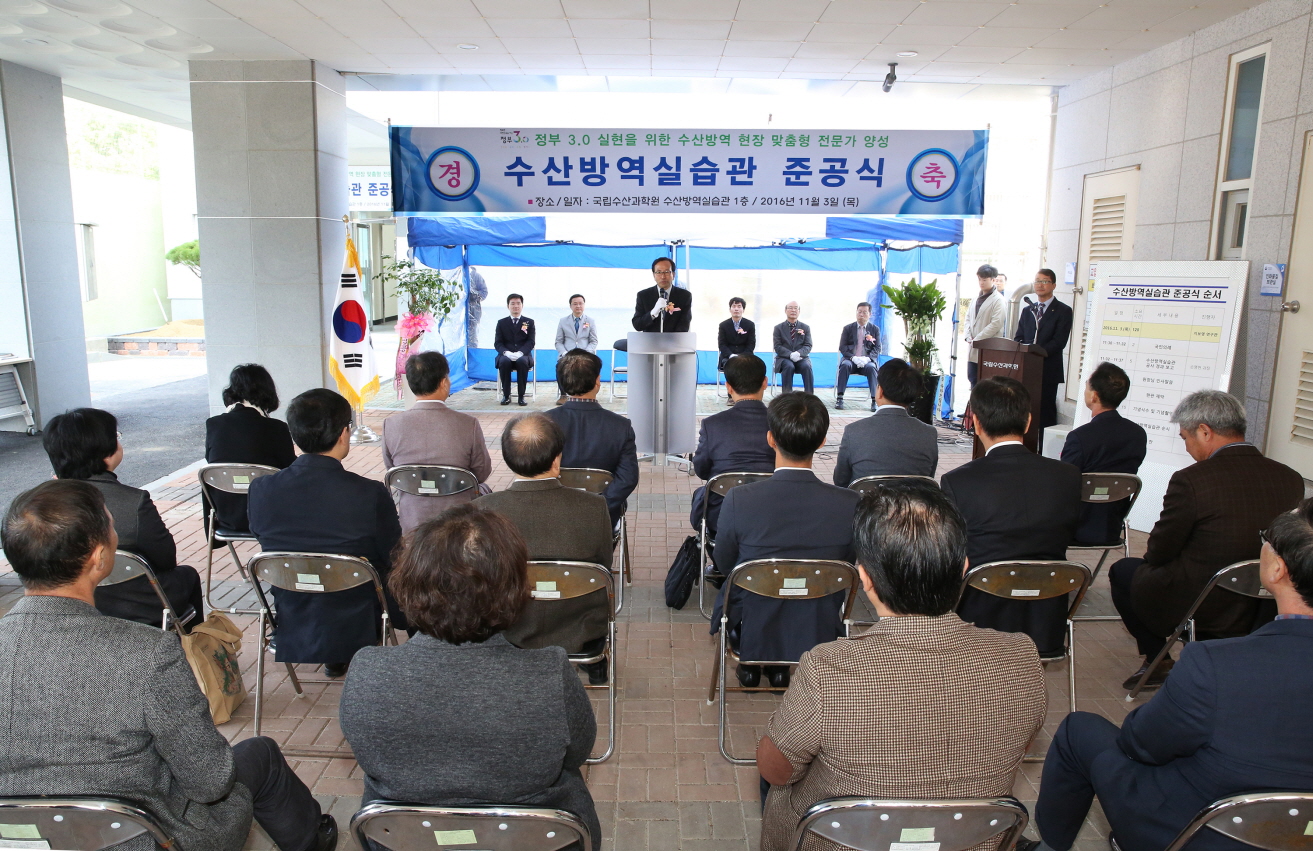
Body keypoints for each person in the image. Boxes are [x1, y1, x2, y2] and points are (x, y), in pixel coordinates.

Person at [0, 479, 336, 851]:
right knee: (261, 753)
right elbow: (210, 781)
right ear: (98, 558)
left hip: (18, 838)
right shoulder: (148, 652)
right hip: (147, 839)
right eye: (111, 526)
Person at [757, 480, 1045, 851]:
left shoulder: (827, 670)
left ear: (864, 578)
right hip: (971, 841)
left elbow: (776, 770)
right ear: (964, 569)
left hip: (843, 841)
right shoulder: (1022, 657)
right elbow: (1021, 745)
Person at [1027, 500, 1313, 851]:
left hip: (1200, 834)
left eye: (1266, 538)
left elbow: (1142, 744)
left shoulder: (1215, 664)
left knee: (1078, 730)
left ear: (1277, 569)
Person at [339, 504, 600, 851]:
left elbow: (369, 755)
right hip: (534, 836)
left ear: (409, 584)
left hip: (405, 837)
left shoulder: (367, 671)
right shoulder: (550, 673)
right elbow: (577, 753)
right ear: (513, 589)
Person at [1109, 390, 1303, 690]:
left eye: (1186, 438)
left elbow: (1159, 551)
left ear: (1204, 431)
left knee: (1124, 571)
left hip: (1204, 602)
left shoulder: (1192, 480)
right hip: (1264, 600)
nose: (1187, 447)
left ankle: (1158, 659)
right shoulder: (1290, 478)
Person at [249, 389, 404, 678]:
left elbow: (267, 541)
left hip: (294, 610)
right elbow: (393, 555)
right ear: (344, 433)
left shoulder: (261, 489)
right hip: (360, 611)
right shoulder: (368, 493)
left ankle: (334, 657)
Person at [710, 392, 859, 690]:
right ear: (821, 442)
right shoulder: (849, 503)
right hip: (817, 616)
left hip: (753, 608)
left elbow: (724, 563)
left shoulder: (740, 499)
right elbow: (847, 563)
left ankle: (754, 662)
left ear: (770, 439)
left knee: (746, 584)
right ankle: (779, 668)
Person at [941, 377, 1081, 657]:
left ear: (976, 423)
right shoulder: (1068, 476)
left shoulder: (958, 481)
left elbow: (952, 553)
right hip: (1046, 621)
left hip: (980, 619)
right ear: (1028, 422)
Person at [476, 413, 612, 683]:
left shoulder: (482, 510)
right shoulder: (593, 507)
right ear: (557, 459)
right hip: (580, 626)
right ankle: (596, 667)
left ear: (508, 458)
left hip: (508, 628)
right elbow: (602, 568)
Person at [42, 408, 203, 630]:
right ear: (106, 452)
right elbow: (166, 559)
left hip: (67, 601)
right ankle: (185, 645)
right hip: (134, 603)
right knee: (188, 575)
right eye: (116, 437)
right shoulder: (133, 501)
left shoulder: (39, 504)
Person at [382, 351, 493, 533]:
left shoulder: (391, 424)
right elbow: (482, 472)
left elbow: (393, 472)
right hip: (459, 523)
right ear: (443, 382)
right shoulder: (468, 424)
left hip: (412, 522)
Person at [545, 349, 639, 529]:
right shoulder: (621, 426)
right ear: (597, 381)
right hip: (603, 519)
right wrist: (599, 506)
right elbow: (628, 478)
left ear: (562, 383)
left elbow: (533, 474)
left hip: (552, 516)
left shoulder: (542, 423)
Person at [203, 363, 297, 537]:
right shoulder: (276, 428)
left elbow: (212, 463)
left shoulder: (214, 425)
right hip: (270, 517)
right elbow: (290, 471)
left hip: (226, 517)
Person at [1060, 362, 1147, 545]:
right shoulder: (1137, 435)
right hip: (1112, 528)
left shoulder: (1080, 437)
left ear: (1094, 396)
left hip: (1074, 529)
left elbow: (1065, 483)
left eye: (1086, 387)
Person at [689, 354, 774, 537]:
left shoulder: (712, 424)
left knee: (700, 495)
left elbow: (702, 470)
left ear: (728, 387)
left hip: (722, 514)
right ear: (765, 383)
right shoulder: (781, 423)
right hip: (772, 513)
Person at [832, 358, 939, 486]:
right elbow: (928, 480)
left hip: (865, 499)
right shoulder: (929, 433)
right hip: (916, 499)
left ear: (880, 391)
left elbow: (840, 481)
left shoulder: (854, 431)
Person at [1014, 268, 1073, 428]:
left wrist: (1036, 353)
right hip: (1026, 369)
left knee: (1045, 411)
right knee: (1025, 409)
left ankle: (1044, 443)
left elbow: (1059, 342)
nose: (1040, 285)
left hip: (1048, 370)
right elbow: (1018, 338)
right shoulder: (1028, 310)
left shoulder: (1063, 311)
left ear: (1053, 285)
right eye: (1037, 281)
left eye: (1045, 281)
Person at [613, 256, 693, 351]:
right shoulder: (643, 295)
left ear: (673, 274)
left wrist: (668, 343)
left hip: (674, 346)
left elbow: (684, 324)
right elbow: (637, 325)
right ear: (654, 275)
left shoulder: (684, 295)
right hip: (648, 346)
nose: (663, 276)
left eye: (667, 272)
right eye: (659, 272)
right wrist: (653, 313)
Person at [965, 263, 1007, 386]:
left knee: (986, 382)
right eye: (979, 279)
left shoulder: (999, 300)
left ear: (993, 280)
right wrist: (968, 335)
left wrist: (978, 339)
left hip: (989, 348)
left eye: (984, 280)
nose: (981, 283)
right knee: (973, 379)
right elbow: (968, 318)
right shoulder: (975, 298)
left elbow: (996, 324)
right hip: (973, 347)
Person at [835, 302, 882, 411]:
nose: (861, 315)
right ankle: (840, 398)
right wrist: (853, 357)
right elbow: (842, 347)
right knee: (845, 365)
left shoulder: (875, 329)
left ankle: (874, 400)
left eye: (864, 312)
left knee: (872, 368)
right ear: (856, 313)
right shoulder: (848, 328)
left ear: (870, 314)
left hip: (867, 361)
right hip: (851, 360)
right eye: (859, 312)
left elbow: (877, 348)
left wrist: (867, 358)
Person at [554, 293, 598, 404]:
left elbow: (594, 341)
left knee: (591, 366)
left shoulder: (590, 321)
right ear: (570, 306)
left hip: (585, 353)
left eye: (580, 303)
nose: (578, 306)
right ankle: (563, 395)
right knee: (559, 366)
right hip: (568, 354)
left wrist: (586, 353)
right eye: (575, 304)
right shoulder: (563, 321)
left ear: (584, 305)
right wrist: (564, 353)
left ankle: (587, 394)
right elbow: (558, 341)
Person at [494, 293, 535, 406]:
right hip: (506, 355)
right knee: (504, 362)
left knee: (522, 362)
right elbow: (498, 343)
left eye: (518, 303)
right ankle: (506, 395)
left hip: (523, 355)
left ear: (522, 305)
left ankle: (521, 396)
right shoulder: (501, 323)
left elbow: (531, 342)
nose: (515, 306)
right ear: (508, 306)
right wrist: (506, 352)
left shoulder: (529, 322)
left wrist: (520, 352)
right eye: (512, 303)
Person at [772, 301, 814, 394]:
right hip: (784, 358)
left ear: (799, 311)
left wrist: (798, 353)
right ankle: (787, 396)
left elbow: (808, 345)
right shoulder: (778, 328)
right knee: (789, 366)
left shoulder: (805, 327)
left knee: (806, 366)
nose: (793, 310)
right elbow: (777, 346)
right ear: (785, 310)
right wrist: (790, 354)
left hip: (801, 357)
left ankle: (809, 396)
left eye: (796, 308)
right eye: (790, 308)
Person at [717, 296, 756, 369]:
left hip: (745, 357)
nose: (736, 309)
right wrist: (731, 355)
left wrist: (742, 356)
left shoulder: (750, 324)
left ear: (743, 310)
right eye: (734, 306)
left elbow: (751, 344)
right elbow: (722, 344)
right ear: (730, 309)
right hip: (728, 357)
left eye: (739, 306)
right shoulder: (723, 325)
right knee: (730, 366)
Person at [466, 265, 488, 349]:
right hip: (458, 312)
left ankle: (472, 353)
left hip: (473, 312)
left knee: (472, 337)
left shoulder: (476, 276)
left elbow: (484, 292)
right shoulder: (457, 275)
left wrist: (473, 294)